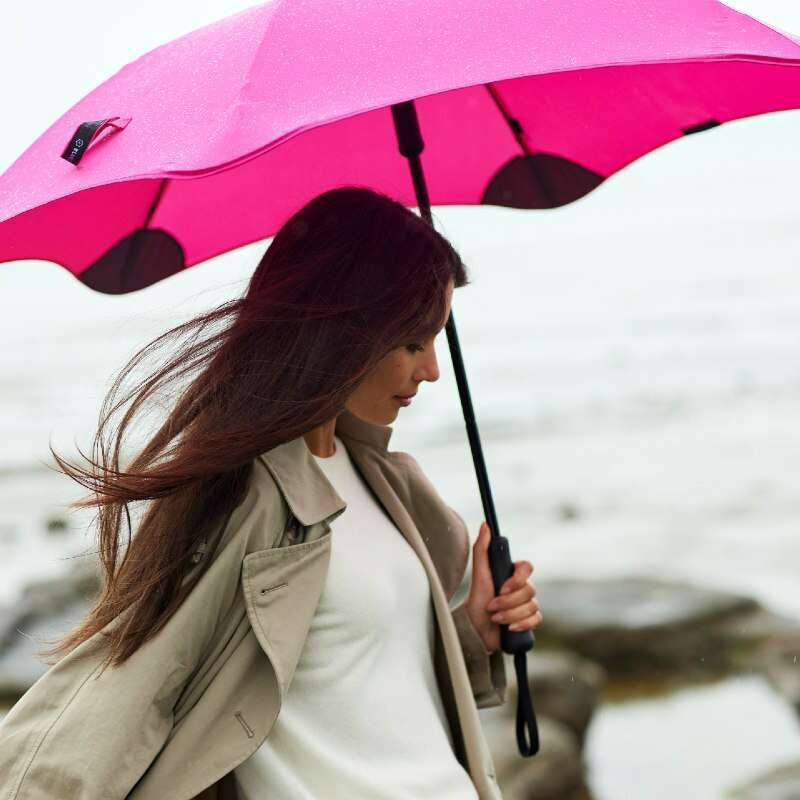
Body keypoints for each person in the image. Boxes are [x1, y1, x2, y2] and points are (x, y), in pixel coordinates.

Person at [0, 185, 542, 799]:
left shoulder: (374, 476)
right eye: (413, 342)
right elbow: (125, 689)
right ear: (345, 329)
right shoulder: (251, 496)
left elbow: (362, 686)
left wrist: (473, 634)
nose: (432, 370)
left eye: (436, 340)